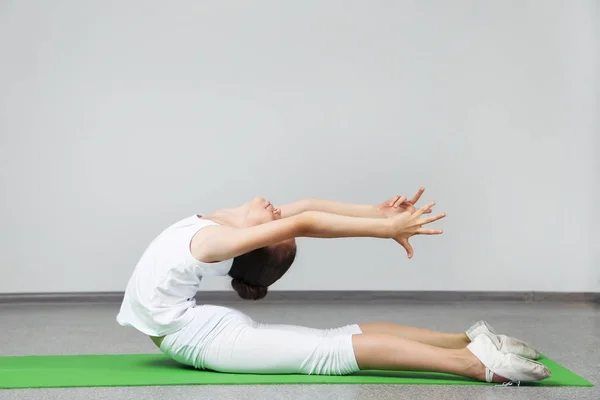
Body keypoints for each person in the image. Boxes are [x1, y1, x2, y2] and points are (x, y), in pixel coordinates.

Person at [116, 188, 551, 383]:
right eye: (276, 222)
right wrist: (380, 221)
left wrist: (380, 220)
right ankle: (472, 354)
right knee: (330, 347)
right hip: (193, 331)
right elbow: (304, 214)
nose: (276, 211)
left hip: (192, 331)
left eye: (275, 225)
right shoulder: (218, 232)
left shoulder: (218, 231)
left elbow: (303, 214)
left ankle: (471, 349)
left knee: (332, 347)